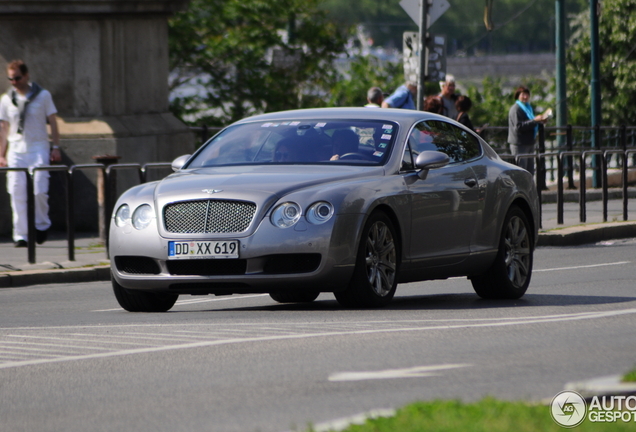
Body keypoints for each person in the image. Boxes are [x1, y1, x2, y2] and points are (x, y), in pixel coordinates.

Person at [0, 60, 61, 247]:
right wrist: (1, 154)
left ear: (26, 76)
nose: (14, 82)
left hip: (38, 147)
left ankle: (41, 225)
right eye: (11, 79)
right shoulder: (6, 99)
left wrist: (56, 147)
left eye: (17, 77)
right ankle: (21, 234)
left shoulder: (43, 96)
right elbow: (4, 127)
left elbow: (53, 121)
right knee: (16, 191)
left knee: (39, 190)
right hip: (16, 149)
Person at [507, 85, 549, 175]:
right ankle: (521, 189)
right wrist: (535, 120)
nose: (525, 97)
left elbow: (530, 122)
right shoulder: (516, 109)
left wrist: (540, 121)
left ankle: (529, 189)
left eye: (527, 95)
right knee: (521, 171)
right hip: (519, 144)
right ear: (518, 96)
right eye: (523, 95)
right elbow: (518, 127)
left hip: (529, 142)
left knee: (530, 171)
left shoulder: (528, 108)